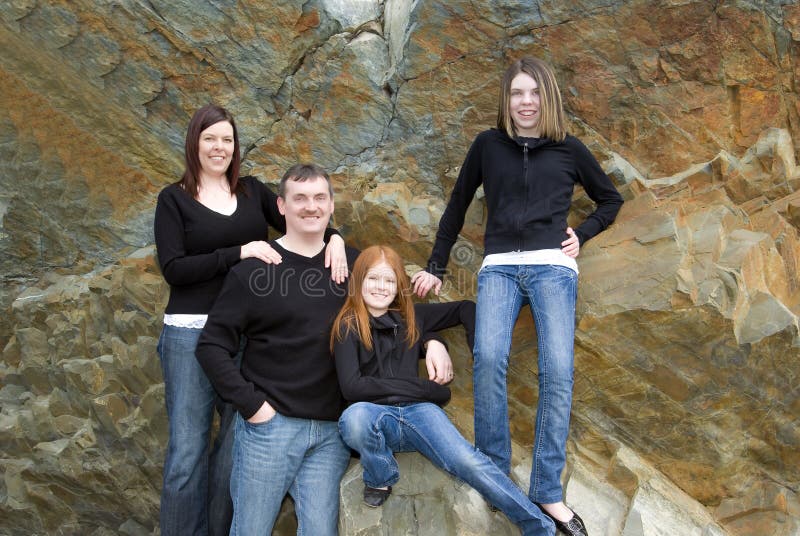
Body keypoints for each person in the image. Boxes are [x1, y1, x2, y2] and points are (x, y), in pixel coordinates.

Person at [411, 57, 624, 536]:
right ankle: (494, 469)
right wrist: (436, 268)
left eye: (533, 93)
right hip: (500, 269)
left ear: (547, 98)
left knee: (558, 369)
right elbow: (457, 204)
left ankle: (547, 490)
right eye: (516, 94)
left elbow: (610, 198)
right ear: (506, 101)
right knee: (488, 354)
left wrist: (583, 234)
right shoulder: (487, 145)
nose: (525, 103)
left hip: (553, 268)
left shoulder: (567, 148)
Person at [194, 165, 453, 535]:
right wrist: (253, 407)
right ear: (281, 206)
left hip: (332, 433)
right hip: (271, 428)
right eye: (299, 198)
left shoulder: (353, 265)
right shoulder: (255, 270)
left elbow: (400, 313)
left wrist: (432, 341)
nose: (310, 206)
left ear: (331, 206)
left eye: (319, 198)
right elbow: (211, 346)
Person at [153, 107, 348, 536]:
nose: (218, 147)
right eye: (209, 139)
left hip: (245, 335)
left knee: (233, 453)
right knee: (188, 454)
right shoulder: (174, 199)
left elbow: (304, 222)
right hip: (191, 333)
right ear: (194, 144)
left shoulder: (253, 192)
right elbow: (173, 269)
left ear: (235, 146)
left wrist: (336, 239)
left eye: (226, 139)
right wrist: (239, 252)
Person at [332, 245, 557, 535]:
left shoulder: (414, 317)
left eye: (389, 280)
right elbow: (352, 387)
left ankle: (539, 527)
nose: (381, 287)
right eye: (373, 278)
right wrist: (425, 388)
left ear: (400, 285)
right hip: (376, 417)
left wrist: (479, 355)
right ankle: (380, 473)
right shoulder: (347, 325)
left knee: (468, 460)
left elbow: (466, 307)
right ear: (358, 280)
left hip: (419, 415)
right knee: (354, 418)